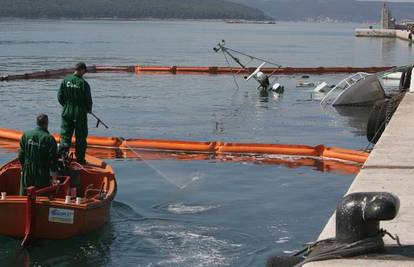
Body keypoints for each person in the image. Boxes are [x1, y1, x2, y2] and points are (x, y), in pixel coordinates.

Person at [58, 62, 92, 164]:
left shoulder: (65, 81)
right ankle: (80, 160)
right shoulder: (84, 84)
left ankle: (63, 158)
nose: (84, 73)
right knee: (81, 137)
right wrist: (88, 109)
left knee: (65, 136)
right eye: (84, 71)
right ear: (81, 70)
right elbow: (88, 101)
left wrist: (66, 106)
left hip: (67, 112)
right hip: (80, 113)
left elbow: (60, 97)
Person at [18, 114, 58, 195]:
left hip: (27, 170)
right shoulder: (49, 138)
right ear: (46, 124)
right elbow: (53, 160)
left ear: (37, 123)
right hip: (41, 172)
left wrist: (23, 169)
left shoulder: (26, 134)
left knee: (25, 194)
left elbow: (21, 154)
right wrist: (54, 179)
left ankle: (22, 206)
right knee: (42, 194)